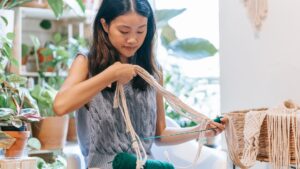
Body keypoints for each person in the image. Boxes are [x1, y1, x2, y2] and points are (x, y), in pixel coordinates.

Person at [53, 0, 226, 168]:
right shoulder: (86, 63)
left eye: (140, 31)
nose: (132, 40)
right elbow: (60, 105)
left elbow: (160, 135)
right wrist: (111, 74)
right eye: (124, 31)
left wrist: (201, 130)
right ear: (105, 25)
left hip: (145, 165)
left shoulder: (152, 71)